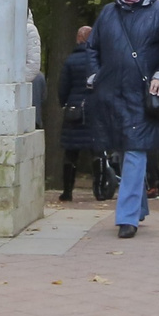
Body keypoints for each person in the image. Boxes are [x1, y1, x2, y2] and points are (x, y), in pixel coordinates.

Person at [85, 0, 159, 237]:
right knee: (125, 149)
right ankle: (137, 208)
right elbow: (92, 48)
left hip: (141, 94)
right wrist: (94, 75)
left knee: (136, 150)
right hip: (111, 93)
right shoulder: (107, 13)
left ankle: (126, 217)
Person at [56, 25, 97, 201]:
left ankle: (67, 191)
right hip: (95, 109)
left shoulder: (71, 60)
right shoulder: (98, 59)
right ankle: (100, 188)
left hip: (74, 110)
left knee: (71, 153)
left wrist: (64, 103)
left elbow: (63, 86)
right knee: (97, 150)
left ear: (78, 39)